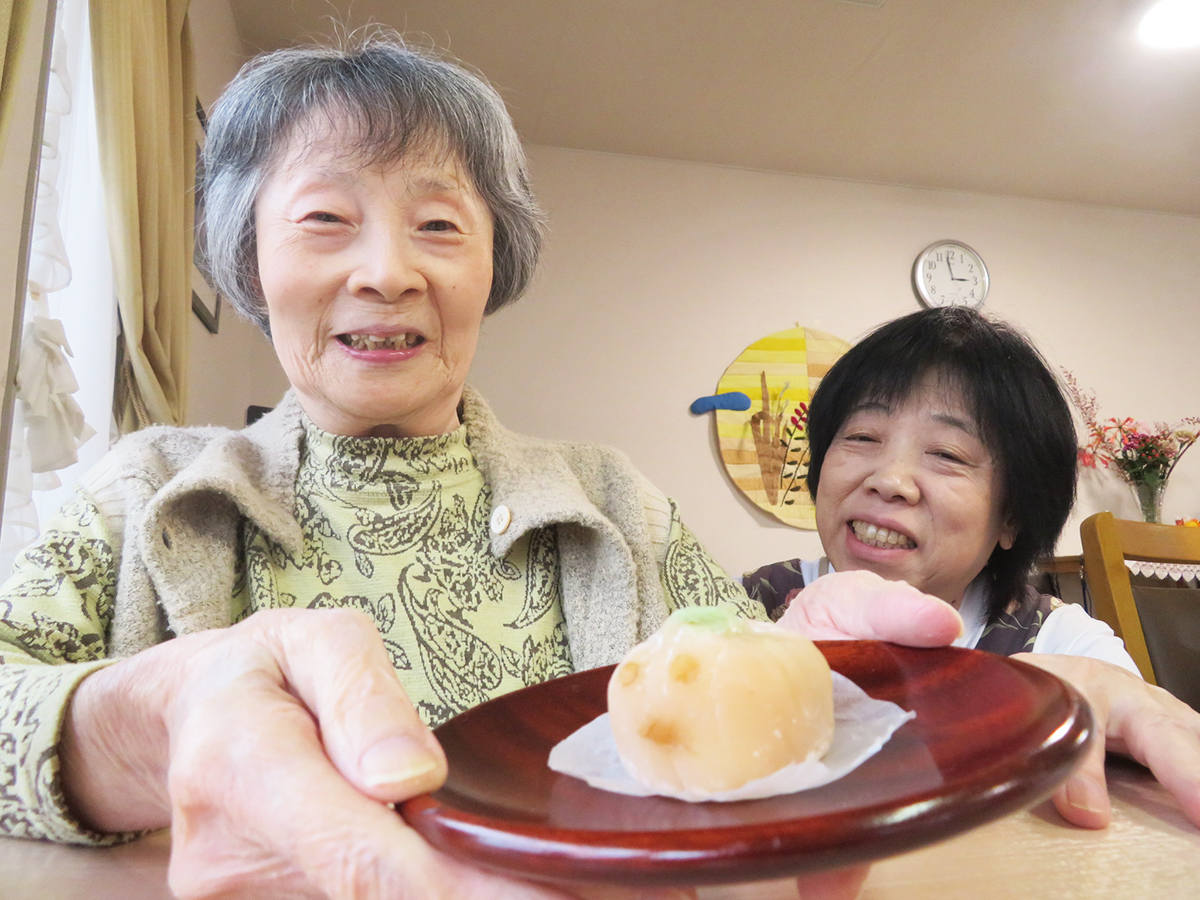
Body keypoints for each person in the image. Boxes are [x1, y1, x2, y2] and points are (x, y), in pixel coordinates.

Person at [0, 36, 962, 900]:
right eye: (326, 217)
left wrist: (820, 675)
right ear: (250, 259)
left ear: (493, 264)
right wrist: (136, 725)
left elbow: (743, 685)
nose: (387, 271)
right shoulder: (143, 492)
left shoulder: (616, 501)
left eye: (440, 225)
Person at [748, 307, 1200, 831]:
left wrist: (1099, 692)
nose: (890, 479)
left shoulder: (1061, 641)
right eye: (862, 438)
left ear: (1011, 516)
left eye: (946, 453)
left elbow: (1142, 751)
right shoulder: (753, 604)